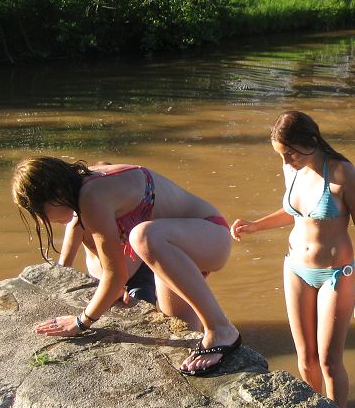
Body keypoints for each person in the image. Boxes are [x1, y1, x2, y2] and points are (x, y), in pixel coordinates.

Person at [12, 157, 241, 376]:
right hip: (180, 248)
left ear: (55, 193)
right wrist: (111, 290)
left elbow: (115, 274)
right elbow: (114, 268)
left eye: (39, 211)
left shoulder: (91, 196)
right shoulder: (88, 184)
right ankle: (213, 339)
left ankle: (221, 330)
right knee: (181, 329)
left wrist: (81, 322)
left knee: (143, 236)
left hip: (210, 235)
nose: (42, 219)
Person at [231, 111, 355, 408]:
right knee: (306, 358)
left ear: (311, 141)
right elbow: (296, 211)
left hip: (335, 275)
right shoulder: (292, 169)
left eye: (290, 153)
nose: (286, 161)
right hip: (295, 268)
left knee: (329, 361)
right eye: (281, 155)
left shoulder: (343, 173)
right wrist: (256, 225)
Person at [57, 162, 156, 306]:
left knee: (144, 304)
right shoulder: (78, 221)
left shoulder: (129, 210)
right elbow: (64, 265)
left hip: (138, 274)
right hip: (101, 278)